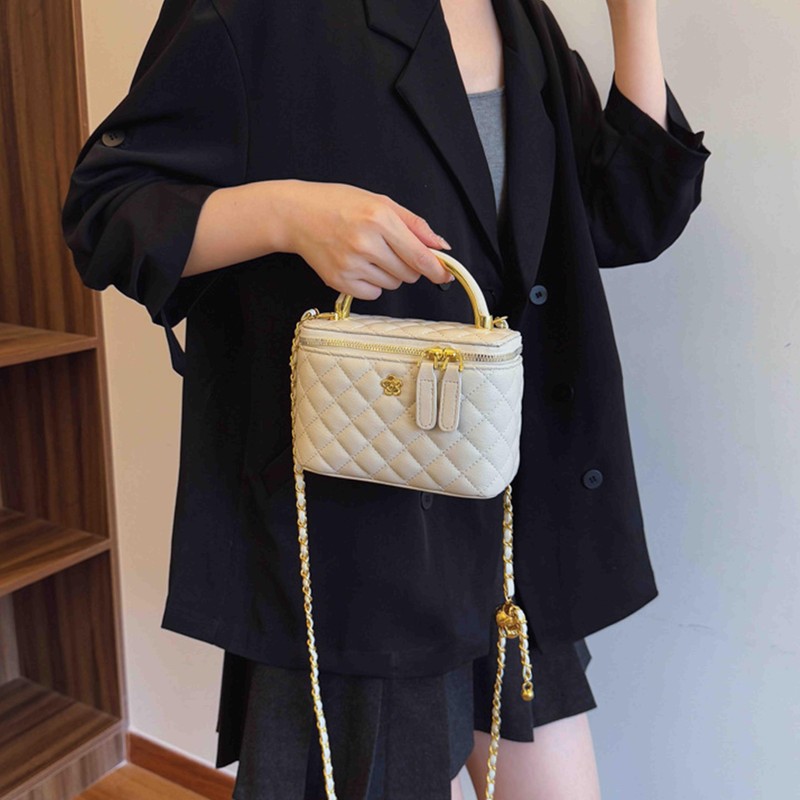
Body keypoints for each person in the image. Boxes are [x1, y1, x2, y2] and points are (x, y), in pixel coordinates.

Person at [61, 0, 711, 797]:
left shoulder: (518, 16)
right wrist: (289, 214)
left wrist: (634, 18)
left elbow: (624, 218)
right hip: (362, 536)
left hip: (512, 518)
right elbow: (107, 209)